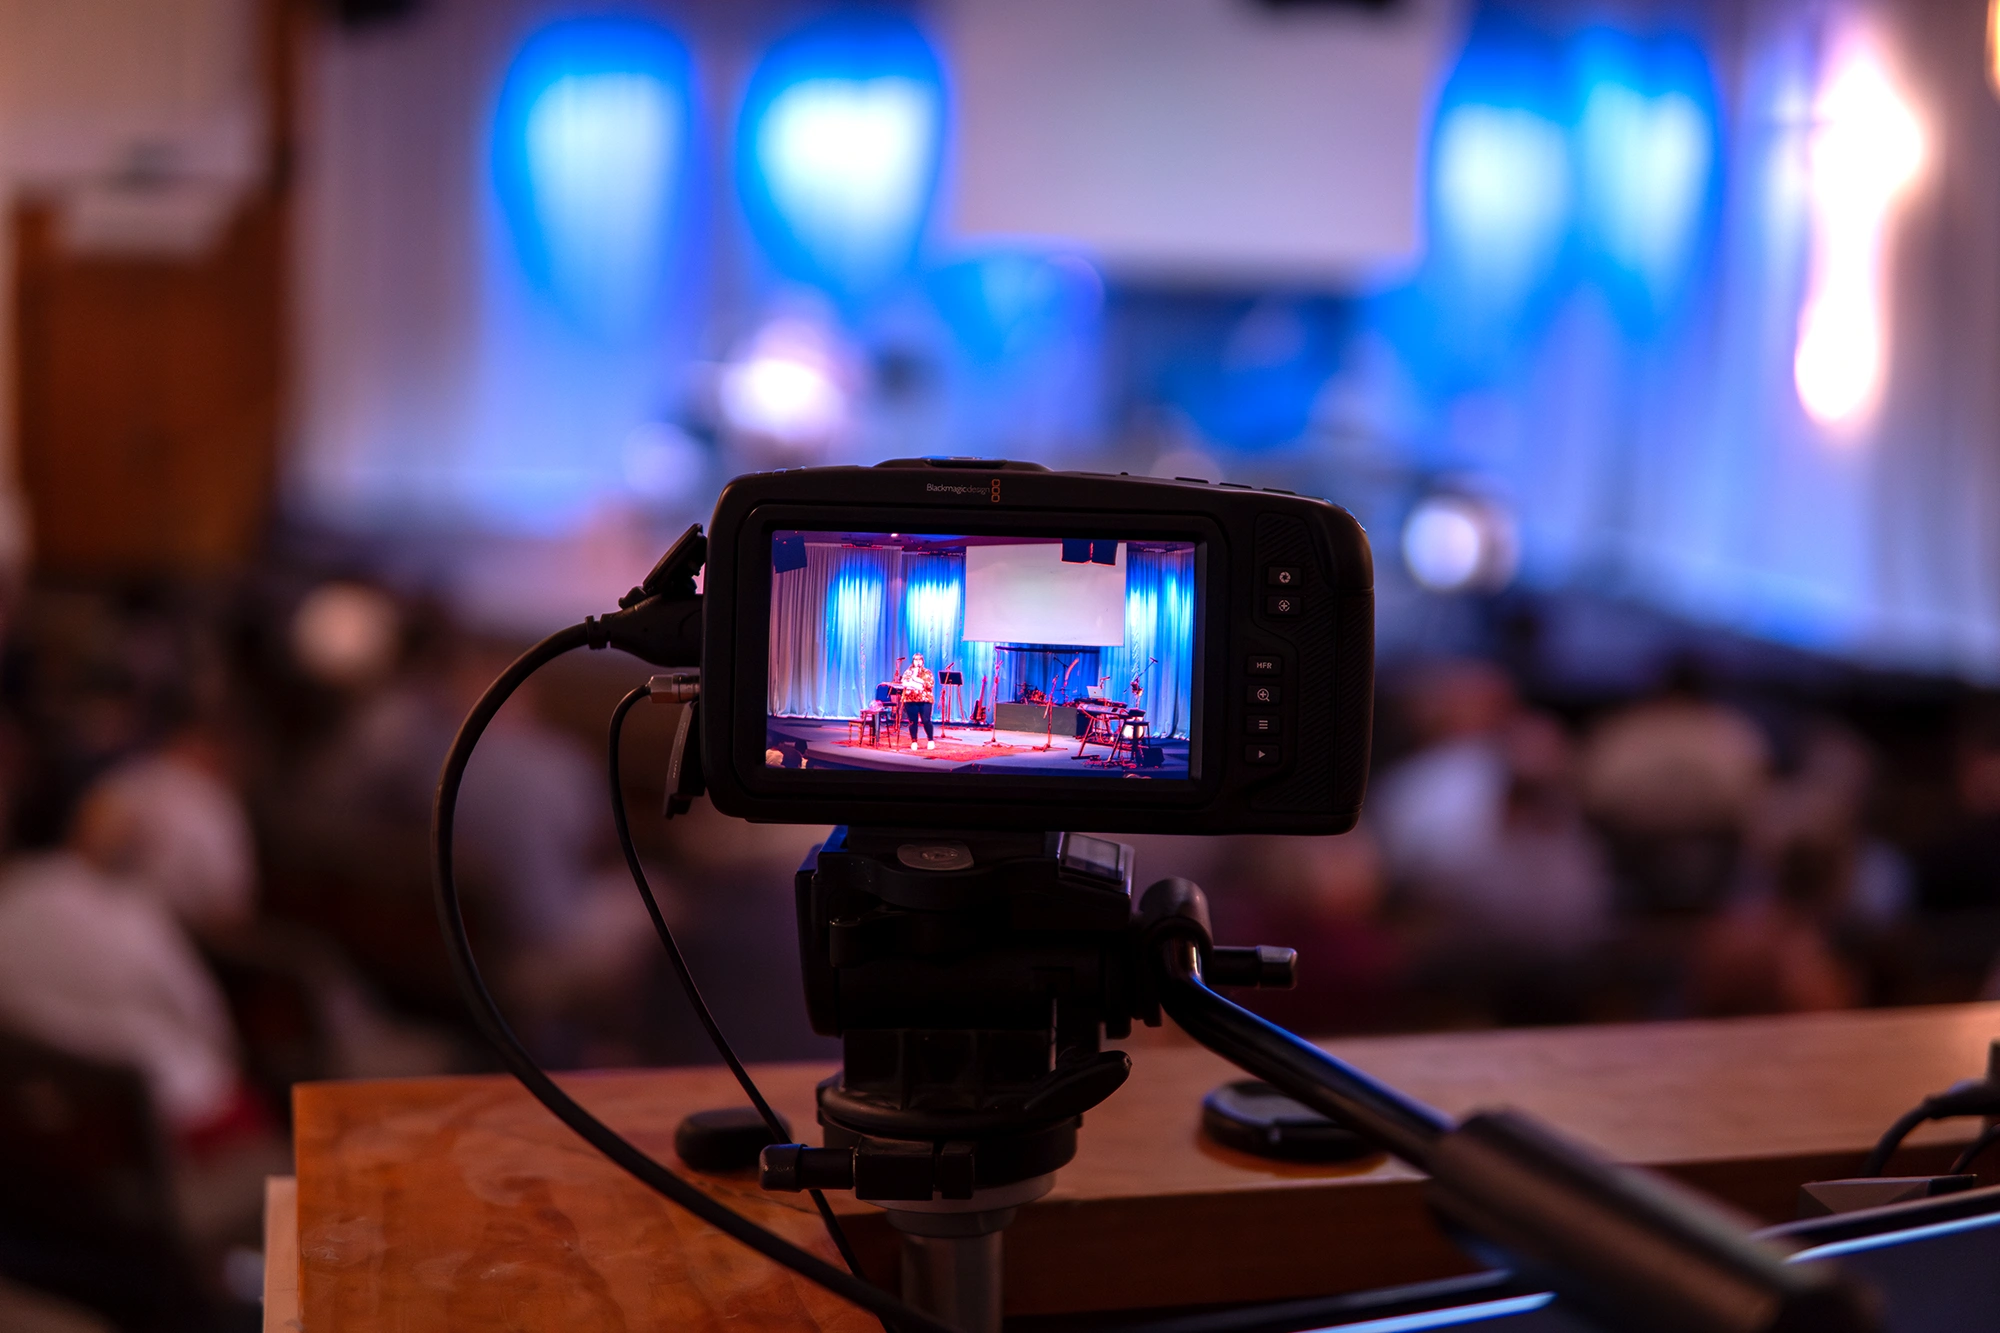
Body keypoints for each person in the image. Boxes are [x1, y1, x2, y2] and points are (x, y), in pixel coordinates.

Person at [901, 653, 935, 751]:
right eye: (916, 660)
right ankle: (914, 741)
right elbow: (905, 683)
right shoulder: (908, 672)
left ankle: (930, 740)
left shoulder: (927, 672)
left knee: (926, 720)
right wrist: (915, 681)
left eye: (920, 659)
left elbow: (929, 684)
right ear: (913, 661)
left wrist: (916, 680)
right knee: (913, 721)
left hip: (925, 699)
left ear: (923, 661)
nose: (918, 661)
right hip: (910, 699)